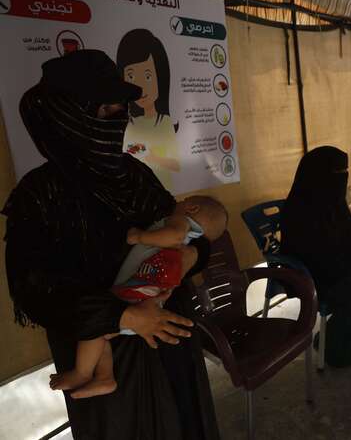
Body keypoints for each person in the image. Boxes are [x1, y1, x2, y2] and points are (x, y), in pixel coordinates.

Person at [3, 50, 220, 440]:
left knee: (189, 425)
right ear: (67, 115)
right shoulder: (40, 194)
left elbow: (187, 231)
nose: (116, 120)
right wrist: (125, 317)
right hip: (110, 362)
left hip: (171, 340)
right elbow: (32, 288)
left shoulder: (134, 174)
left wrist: (193, 254)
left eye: (121, 109)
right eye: (103, 110)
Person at [49, 196, 228, 399]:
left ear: (192, 207)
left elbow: (175, 236)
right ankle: (104, 376)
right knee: (102, 333)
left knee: (97, 328)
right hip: (147, 301)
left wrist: (140, 236)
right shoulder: (190, 231)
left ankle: (83, 373)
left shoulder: (182, 222)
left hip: (136, 295)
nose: (178, 201)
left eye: (184, 200)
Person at [281, 146, 351, 367]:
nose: (343, 178)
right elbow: (313, 257)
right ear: (318, 175)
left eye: (345, 171)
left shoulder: (335, 203)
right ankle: (337, 353)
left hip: (344, 267)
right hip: (313, 276)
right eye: (337, 173)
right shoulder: (298, 211)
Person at [117, 29, 180, 190]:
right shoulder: (128, 123)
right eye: (131, 76)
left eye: (147, 76)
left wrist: (154, 158)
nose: (140, 86)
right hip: (137, 192)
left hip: (164, 191)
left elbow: (176, 164)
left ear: (161, 77)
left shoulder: (164, 122)